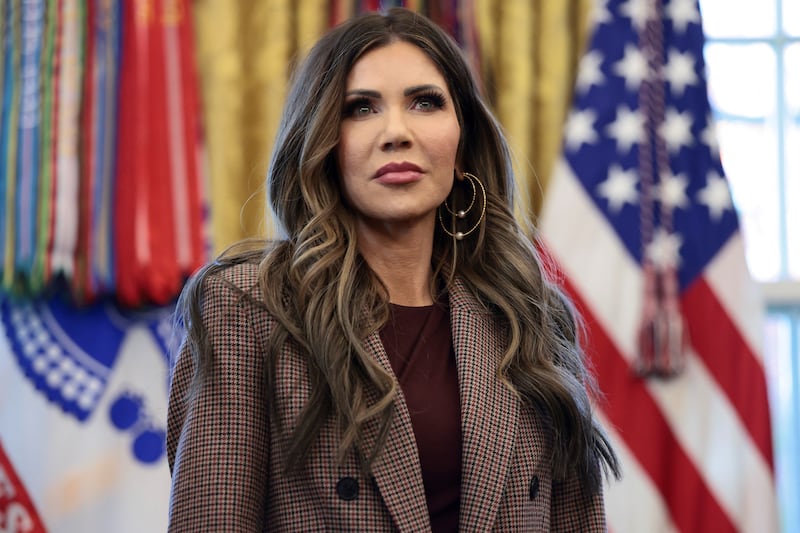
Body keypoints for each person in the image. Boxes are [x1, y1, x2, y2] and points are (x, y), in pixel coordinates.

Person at [166, 7, 620, 532]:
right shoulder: (245, 308)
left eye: (425, 102)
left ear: (463, 146)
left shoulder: (529, 315)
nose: (395, 132)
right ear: (323, 145)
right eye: (360, 108)